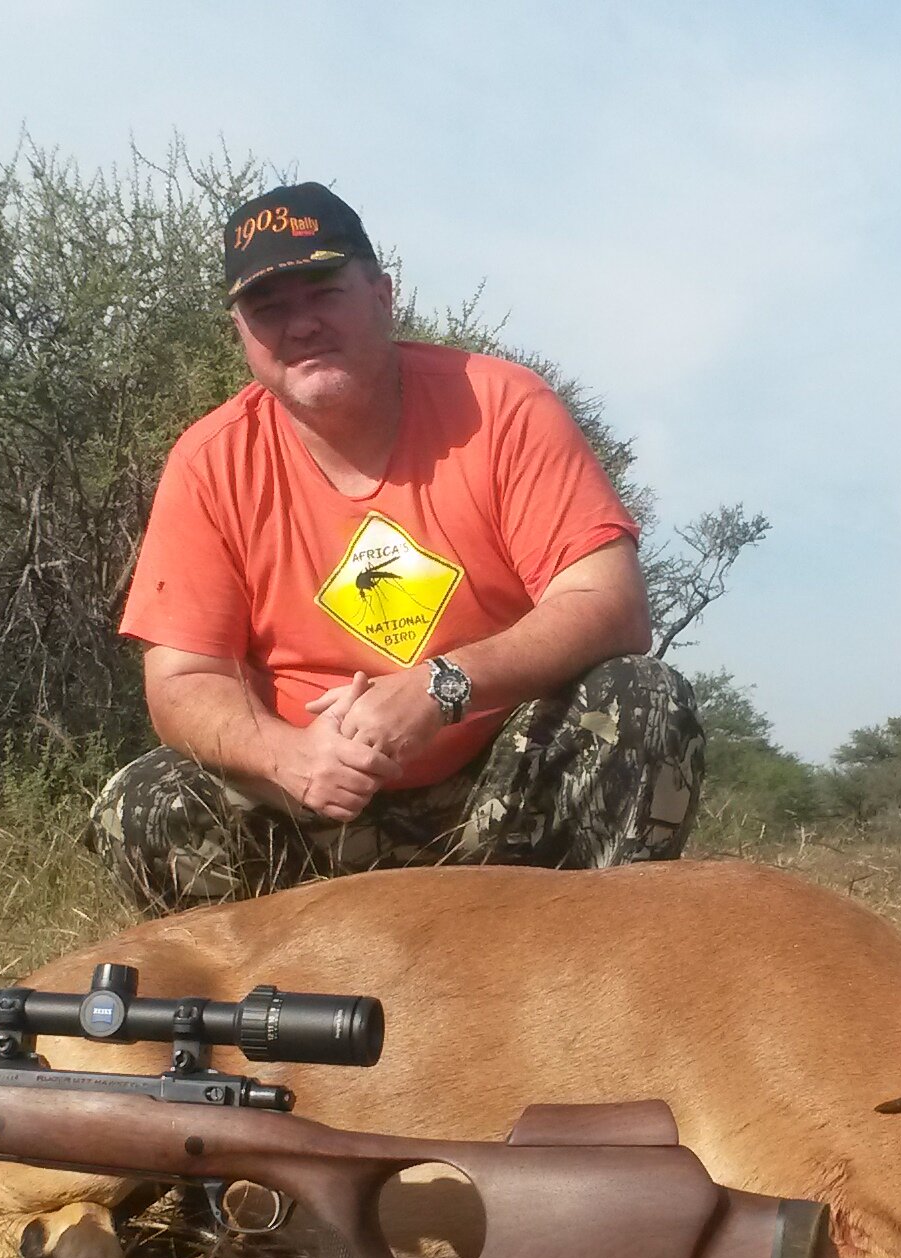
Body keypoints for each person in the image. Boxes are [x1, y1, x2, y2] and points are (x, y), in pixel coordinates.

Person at [89, 180, 704, 914]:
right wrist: (289, 757)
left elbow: (609, 601)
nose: (301, 325)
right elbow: (183, 680)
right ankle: (271, 1018)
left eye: (323, 292)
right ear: (241, 335)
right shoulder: (209, 461)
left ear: (383, 296)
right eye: (269, 309)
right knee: (142, 802)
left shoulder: (503, 405)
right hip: (311, 803)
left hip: (495, 791)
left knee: (642, 699)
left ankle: (591, 993)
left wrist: (440, 689)